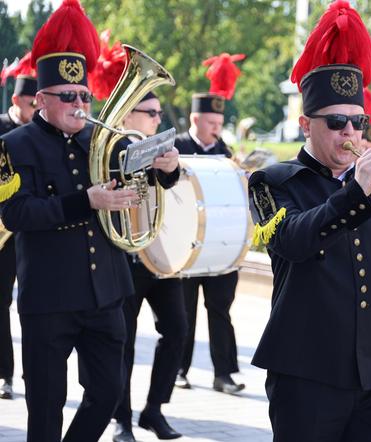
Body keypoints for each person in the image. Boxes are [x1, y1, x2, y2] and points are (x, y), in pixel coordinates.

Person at [248, 2, 371, 440]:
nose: (350, 133)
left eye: (358, 122)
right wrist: (354, 191)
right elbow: (293, 242)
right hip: (306, 373)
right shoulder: (273, 181)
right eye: (337, 122)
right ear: (306, 124)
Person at [0, 2, 137, 440]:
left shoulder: (103, 139)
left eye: (84, 96)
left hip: (106, 294)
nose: (80, 105)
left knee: (108, 393)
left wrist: (166, 170)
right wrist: (87, 202)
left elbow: (142, 180)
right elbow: (15, 213)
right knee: (45, 408)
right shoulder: (12, 146)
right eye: (68, 97)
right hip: (49, 298)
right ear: (40, 99)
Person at [111, 92, 185, 442]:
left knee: (178, 331)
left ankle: (154, 410)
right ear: (127, 115)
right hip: (123, 258)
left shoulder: (153, 148)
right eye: (151, 113)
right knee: (122, 341)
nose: (158, 119)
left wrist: (172, 168)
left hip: (156, 254)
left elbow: (169, 184)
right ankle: (120, 418)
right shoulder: (108, 146)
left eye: (158, 113)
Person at [174, 52, 246, 394]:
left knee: (220, 311)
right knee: (183, 313)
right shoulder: (176, 147)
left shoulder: (227, 152)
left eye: (218, 122)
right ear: (194, 118)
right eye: (210, 122)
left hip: (219, 244)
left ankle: (224, 373)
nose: (216, 127)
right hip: (186, 245)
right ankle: (178, 369)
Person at [0, 52, 37, 400]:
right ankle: (4, 373)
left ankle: (34, 371)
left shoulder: (43, 132)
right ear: (15, 100)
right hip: (2, 232)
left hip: (32, 231)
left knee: (34, 304)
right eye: (31, 103)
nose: (36, 110)